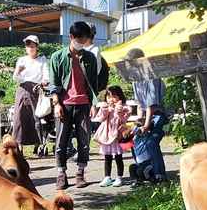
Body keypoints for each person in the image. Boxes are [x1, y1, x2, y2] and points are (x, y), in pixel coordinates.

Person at [47, 21, 109, 190]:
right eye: (80, 39)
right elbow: (53, 84)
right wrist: (56, 104)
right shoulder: (57, 57)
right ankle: (61, 174)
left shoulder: (89, 57)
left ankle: (80, 173)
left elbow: (94, 84)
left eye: (85, 40)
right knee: (61, 141)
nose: (82, 43)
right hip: (64, 104)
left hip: (83, 104)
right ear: (72, 37)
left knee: (84, 140)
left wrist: (94, 103)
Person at [126, 48, 168, 183]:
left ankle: (159, 174)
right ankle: (143, 167)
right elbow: (140, 105)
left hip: (159, 114)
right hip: (147, 114)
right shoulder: (135, 79)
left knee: (151, 142)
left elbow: (151, 105)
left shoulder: (151, 76)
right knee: (130, 139)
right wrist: (139, 121)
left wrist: (146, 124)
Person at [11, 35, 47, 152]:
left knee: (36, 116)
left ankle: (38, 143)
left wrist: (44, 82)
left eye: (32, 45)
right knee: (19, 116)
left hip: (36, 89)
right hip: (22, 89)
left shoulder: (42, 60)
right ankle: (19, 144)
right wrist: (17, 71)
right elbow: (15, 78)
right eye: (28, 46)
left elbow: (46, 75)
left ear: (37, 47)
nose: (30, 48)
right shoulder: (22, 60)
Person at [94, 86, 131, 187]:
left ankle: (119, 177)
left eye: (114, 96)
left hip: (118, 135)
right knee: (107, 157)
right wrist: (106, 110)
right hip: (107, 135)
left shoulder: (125, 108)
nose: (111, 99)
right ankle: (107, 177)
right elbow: (100, 119)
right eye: (109, 97)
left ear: (120, 97)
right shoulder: (105, 107)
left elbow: (124, 121)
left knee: (118, 157)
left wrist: (119, 113)